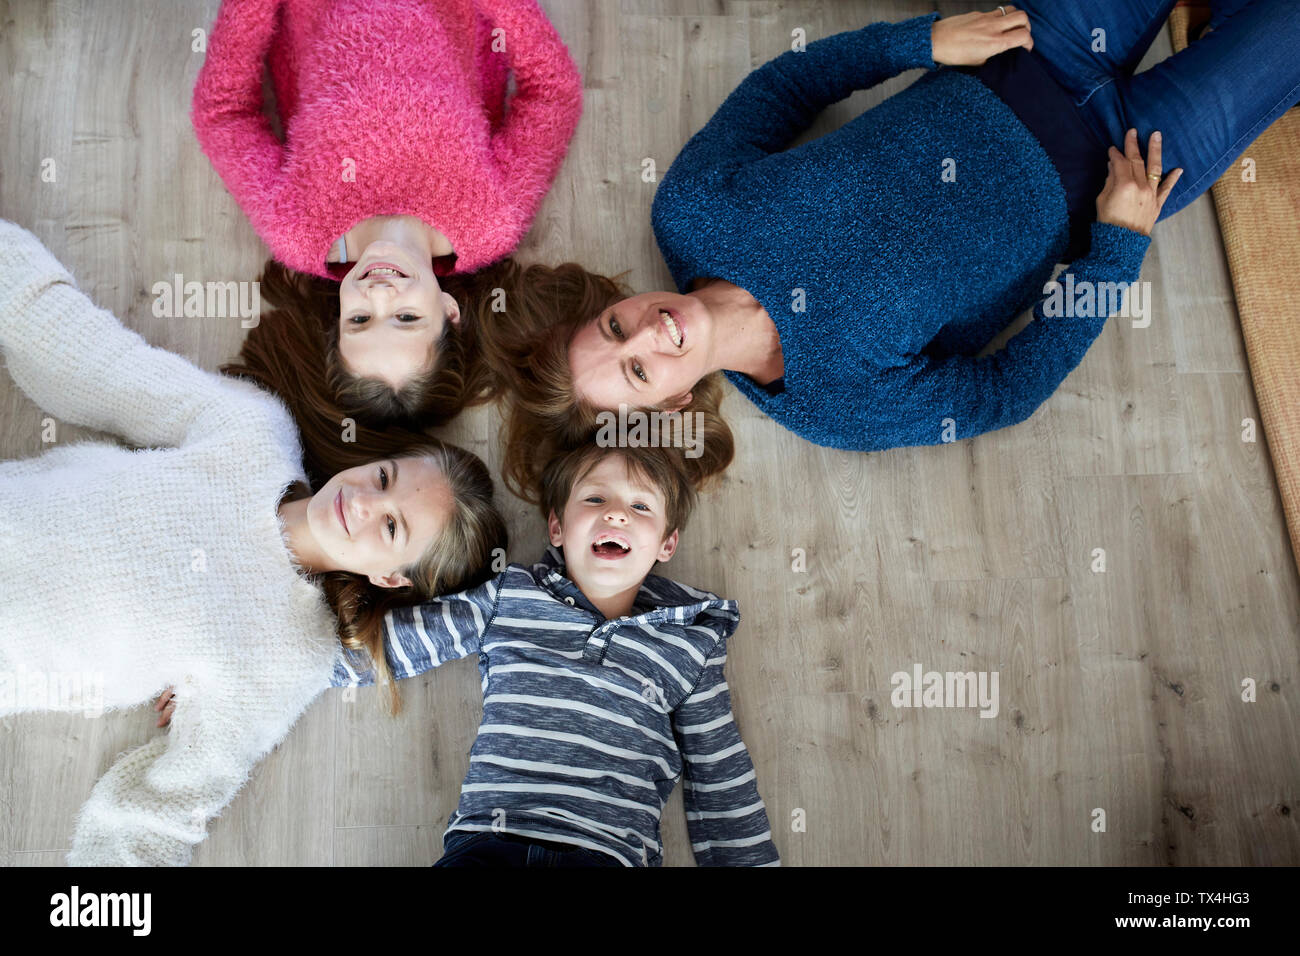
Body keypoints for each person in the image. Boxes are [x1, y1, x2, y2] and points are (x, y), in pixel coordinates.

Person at [499, 3, 1298, 466]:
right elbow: (1007, 391)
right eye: (635, 371)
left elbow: (790, 85)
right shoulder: (838, 409)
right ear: (671, 402)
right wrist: (1117, 247)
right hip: (1122, 166)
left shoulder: (692, 211)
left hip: (1024, 48)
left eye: (613, 326)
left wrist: (922, 42)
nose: (648, 332)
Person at [0, 221, 507, 865]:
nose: (365, 501)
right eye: (385, 478)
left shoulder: (291, 656)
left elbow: (162, 809)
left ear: (391, 578)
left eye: (391, 527)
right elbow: (91, 364)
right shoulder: (251, 429)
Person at [335, 442, 780, 866]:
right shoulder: (511, 594)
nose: (616, 514)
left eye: (641, 507)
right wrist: (296, 668)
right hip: (488, 843)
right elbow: (404, 643)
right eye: (594, 499)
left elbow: (720, 771)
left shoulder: (690, 645)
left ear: (667, 544)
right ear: (557, 528)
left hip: (603, 852)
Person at [191, 0, 583, 424]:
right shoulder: (491, 219)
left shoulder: (297, 229)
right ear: (450, 312)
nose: (378, 294)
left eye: (359, 319)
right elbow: (552, 96)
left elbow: (223, 114)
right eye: (406, 317)